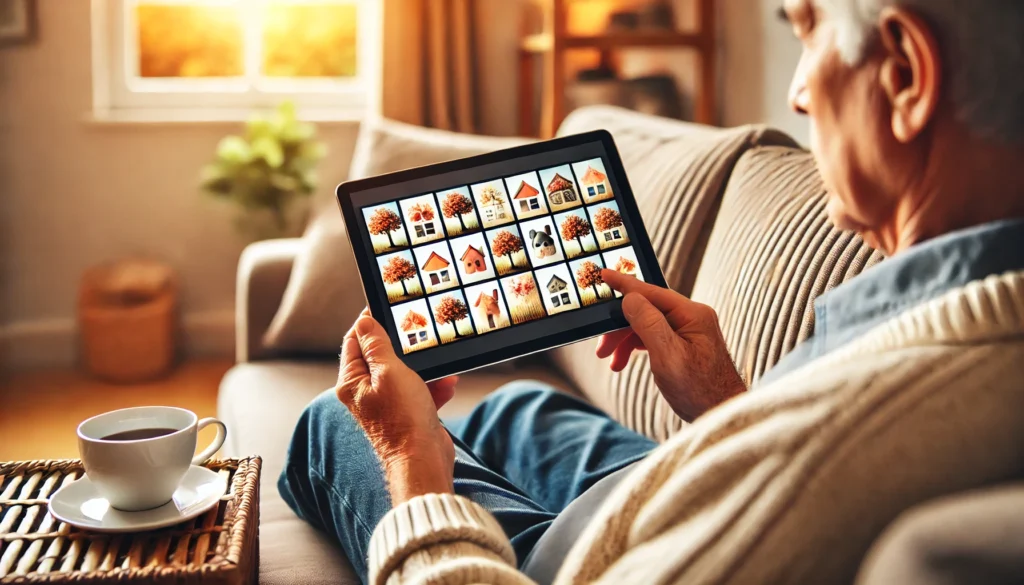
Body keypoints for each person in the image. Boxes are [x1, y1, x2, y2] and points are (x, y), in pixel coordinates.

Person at [278, 0, 1024, 583]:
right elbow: (780, 465)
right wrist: (727, 406)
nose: (796, 94)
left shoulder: (836, 452)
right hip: (686, 493)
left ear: (903, 75)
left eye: (808, 35)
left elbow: (799, 480)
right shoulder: (970, 323)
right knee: (518, 407)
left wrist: (410, 462)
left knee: (334, 418)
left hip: (592, 560)